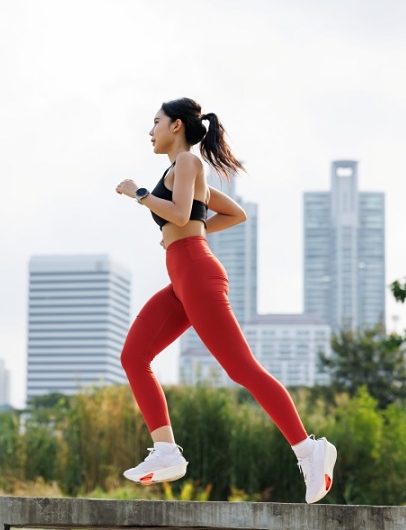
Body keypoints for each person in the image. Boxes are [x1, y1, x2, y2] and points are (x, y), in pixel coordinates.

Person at [114, 97, 337, 504]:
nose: (151, 130)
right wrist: (187, 229)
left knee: (242, 368)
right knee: (134, 356)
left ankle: (309, 450)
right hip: (183, 278)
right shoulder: (180, 169)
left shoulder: (187, 163)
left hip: (197, 274)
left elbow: (181, 215)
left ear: (177, 126)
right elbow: (234, 214)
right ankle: (166, 451)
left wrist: (140, 194)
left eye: (156, 122)